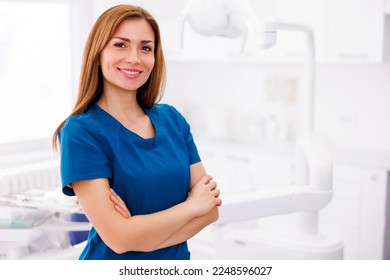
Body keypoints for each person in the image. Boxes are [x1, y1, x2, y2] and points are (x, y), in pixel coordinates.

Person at [52, 4, 222, 260]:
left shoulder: (172, 120)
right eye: (120, 45)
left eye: (145, 48)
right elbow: (119, 240)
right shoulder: (81, 132)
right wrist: (191, 206)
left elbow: (210, 212)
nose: (134, 58)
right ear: (98, 53)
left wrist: (137, 233)